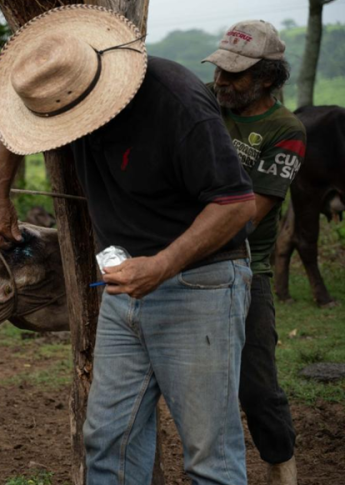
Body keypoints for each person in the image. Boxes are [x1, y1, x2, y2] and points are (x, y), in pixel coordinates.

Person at [0, 5, 255, 484]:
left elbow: (236, 205)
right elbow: (15, 119)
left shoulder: (177, 103)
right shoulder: (60, 89)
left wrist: (162, 265)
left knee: (209, 457)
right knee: (107, 442)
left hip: (199, 284)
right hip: (123, 289)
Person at [203, 20, 304, 485]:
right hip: (180, 255)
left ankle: (281, 464)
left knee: (258, 387)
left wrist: (173, 240)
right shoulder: (204, 99)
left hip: (245, 265)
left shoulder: (284, 129)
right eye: (219, 69)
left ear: (266, 78)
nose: (221, 81)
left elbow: (249, 217)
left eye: (234, 74)